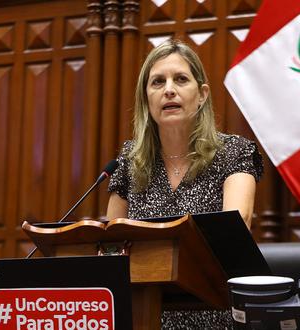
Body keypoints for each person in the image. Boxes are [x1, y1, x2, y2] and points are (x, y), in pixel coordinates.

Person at [107, 39, 263, 329]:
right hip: (144, 315)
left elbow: (236, 223)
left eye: (180, 79)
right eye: (157, 82)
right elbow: (111, 247)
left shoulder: (233, 152)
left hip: (214, 314)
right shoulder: (129, 160)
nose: (169, 89)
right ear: (146, 97)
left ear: (202, 94)